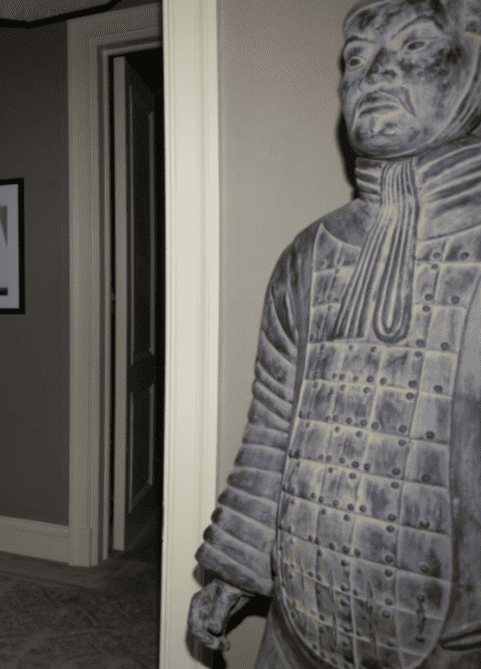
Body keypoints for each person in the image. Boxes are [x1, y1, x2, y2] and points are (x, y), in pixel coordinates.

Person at [189, 1, 481, 667]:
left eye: (414, 46)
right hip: (297, 624)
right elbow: (272, 431)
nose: (375, 71)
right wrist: (234, 567)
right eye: (356, 57)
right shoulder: (308, 256)